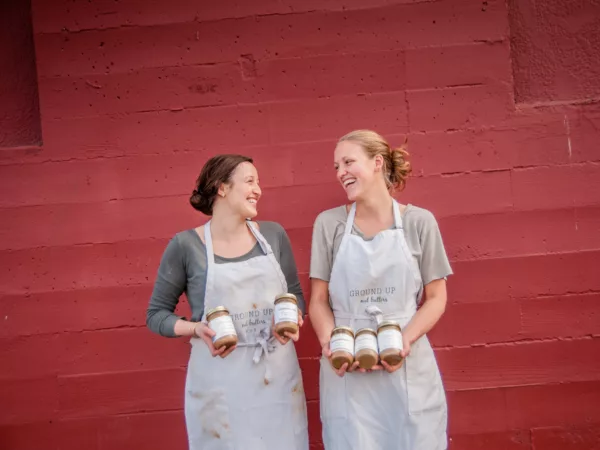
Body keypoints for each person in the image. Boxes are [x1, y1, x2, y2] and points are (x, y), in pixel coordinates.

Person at [146, 154, 309, 450]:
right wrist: (196, 329)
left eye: (258, 182)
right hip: (219, 385)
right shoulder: (185, 246)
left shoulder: (273, 235)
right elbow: (156, 315)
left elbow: (295, 294)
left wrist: (293, 316)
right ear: (222, 188)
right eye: (250, 181)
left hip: (276, 377)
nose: (258, 189)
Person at [309, 130, 453, 449]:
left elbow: (436, 298)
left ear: (377, 163)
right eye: (336, 166)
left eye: (348, 162)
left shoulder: (419, 222)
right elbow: (318, 301)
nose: (340, 172)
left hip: (406, 359)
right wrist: (332, 343)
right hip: (348, 366)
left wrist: (402, 340)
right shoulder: (328, 224)